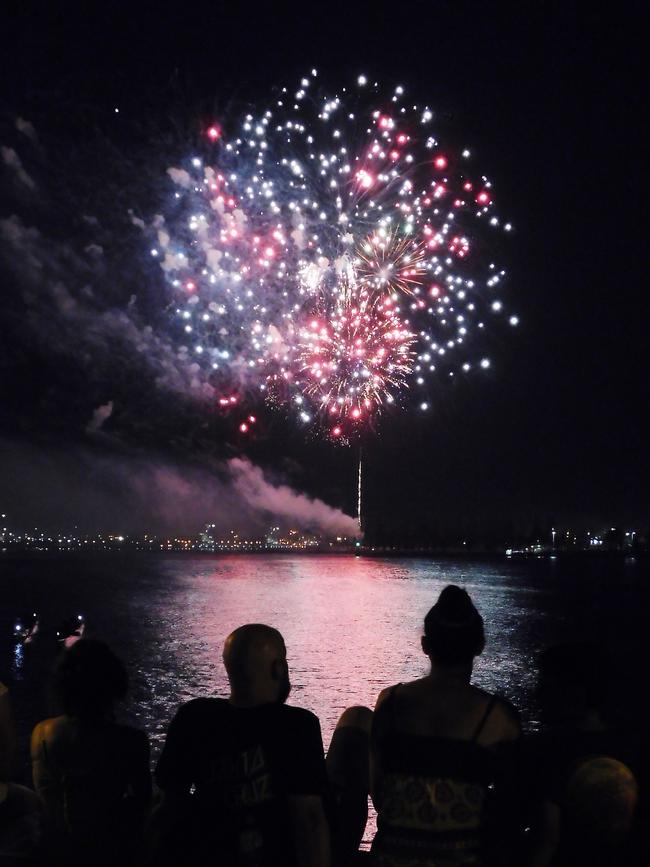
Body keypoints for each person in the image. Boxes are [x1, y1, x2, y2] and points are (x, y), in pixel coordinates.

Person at [154, 623, 330, 867]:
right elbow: (308, 818)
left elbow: (170, 802)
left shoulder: (194, 717)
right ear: (279, 668)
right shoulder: (297, 726)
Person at [370, 585, 521, 867]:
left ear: (426, 645)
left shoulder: (389, 703)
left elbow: (378, 792)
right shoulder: (499, 718)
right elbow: (509, 811)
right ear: (480, 645)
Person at [524, 643, 646, 867]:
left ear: (569, 691)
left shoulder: (550, 750)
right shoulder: (633, 746)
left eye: (545, 684)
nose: (537, 694)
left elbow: (548, 838)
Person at [31, 640, 151, 867]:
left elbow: (46, 797)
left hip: (57, 850)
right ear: (114, 683)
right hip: (110, 849)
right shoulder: (131, 741)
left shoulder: (42, 734)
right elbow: (141, 802)